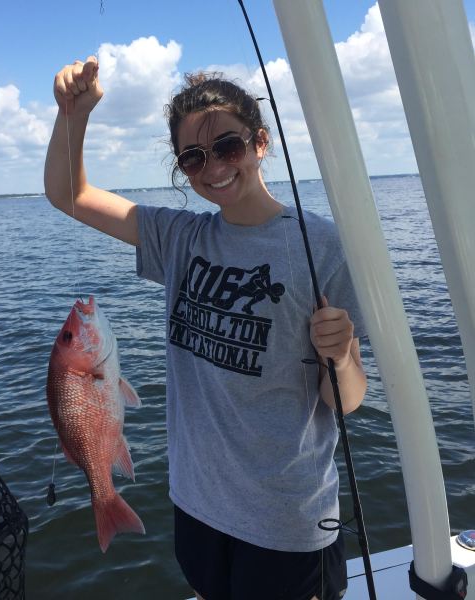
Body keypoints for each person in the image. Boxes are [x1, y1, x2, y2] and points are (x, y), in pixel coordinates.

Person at [45, 55, 368, 600]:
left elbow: (347, 400)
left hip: (285, 521)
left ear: (260, 142)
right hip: (196, 505)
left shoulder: (322, 246)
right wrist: (74, 114)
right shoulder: (179, 238)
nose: (213, 166)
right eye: (193, 157)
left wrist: (342, 357)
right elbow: (69, 195)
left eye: (228, 146)